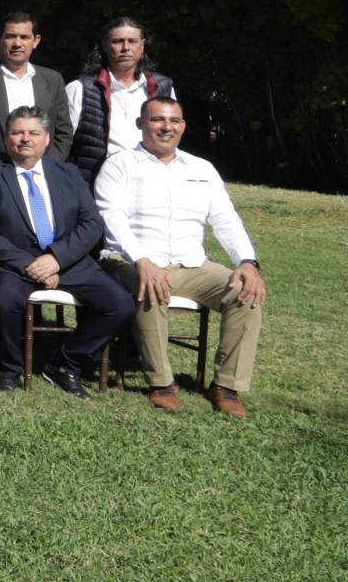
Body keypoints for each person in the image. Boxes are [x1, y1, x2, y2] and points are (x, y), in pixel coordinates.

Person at [95, 98, 264, 416]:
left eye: (174, 121)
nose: (166, 127)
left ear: (183, 126)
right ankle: (161, 383)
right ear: (141, 124)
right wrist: (143, 260)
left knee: (246, 291)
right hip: (128, 261)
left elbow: (225, 219)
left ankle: (227, 386)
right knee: (152, 285)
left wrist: (247, 261)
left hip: (191, 263)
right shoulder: (119, 164)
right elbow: (111, 216)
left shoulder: (202, 169)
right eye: (157, 120)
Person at [0, 105, 136, 398]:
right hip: (11, 264)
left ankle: (66, 365)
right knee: (3, 301)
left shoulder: (68, 174)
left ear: (47, 139)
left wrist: (56, 259)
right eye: (17, 132)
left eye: (34, 133)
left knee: (119, 305)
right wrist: (32, 264)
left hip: (67, 262)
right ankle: (9, 369)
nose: (25, 139)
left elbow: (92, 223)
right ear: (6, 138)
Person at [0, 12, 73, 202]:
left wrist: (44, 167)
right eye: (10, 36)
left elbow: (63, 132)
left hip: (41, 181)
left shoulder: (52, 80)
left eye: (25, 37)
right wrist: (7, 170)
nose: (17, 43)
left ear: (36, 41)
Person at [66, 16, 177, 185]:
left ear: (142, 45)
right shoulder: (80, 88)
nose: (126, 48)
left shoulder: (162, 88)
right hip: (96, 183)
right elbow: (64, 142)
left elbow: (172, 135)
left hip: (152, 181)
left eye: (132, 41)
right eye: (117, 41)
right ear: (104, 46)